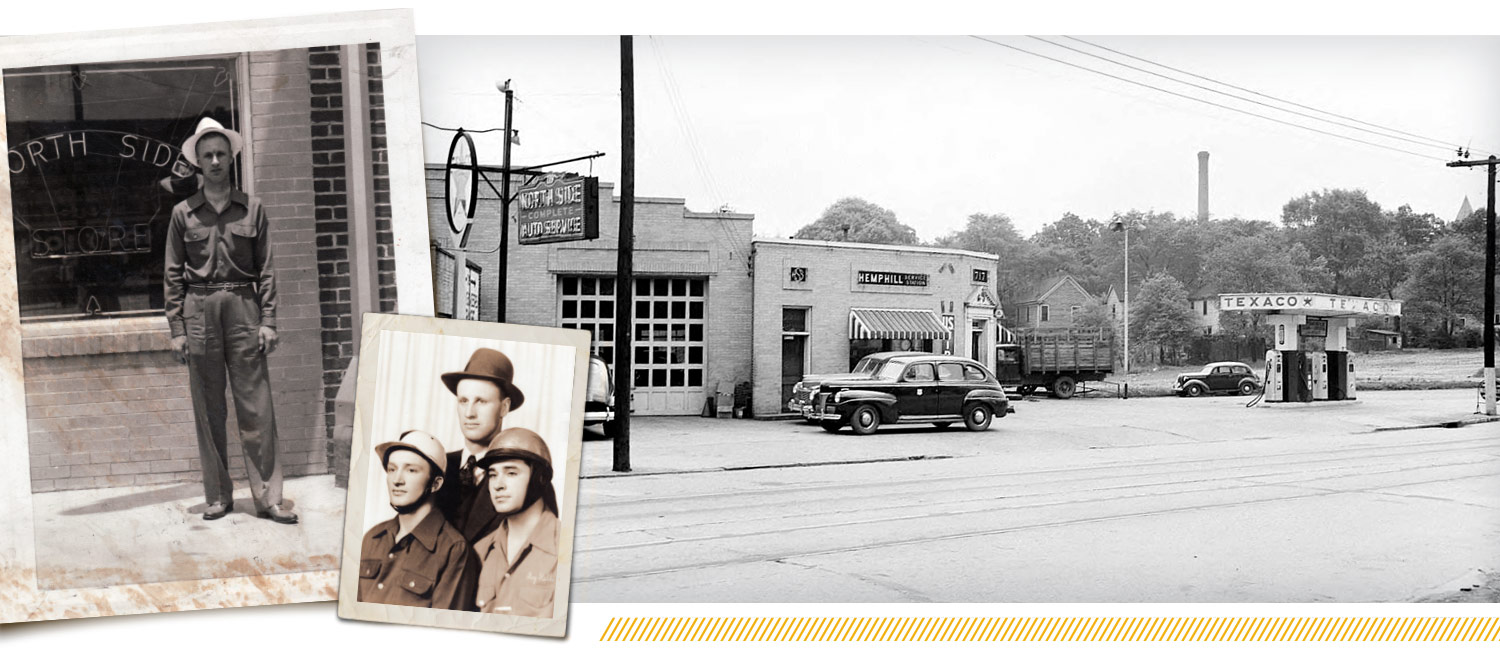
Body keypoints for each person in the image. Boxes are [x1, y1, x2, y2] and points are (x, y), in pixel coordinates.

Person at [164, 116, 296, 524]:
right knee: (209, 408)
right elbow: (171, 273)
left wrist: (268, 320)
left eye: (222, 153)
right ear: (198, 164)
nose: (216, 161)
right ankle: (218, 496)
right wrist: (177, 329)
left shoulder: (252, 208)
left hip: (243, 308)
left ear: (231, 158)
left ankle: (267, 498)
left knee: (256, 407)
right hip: (199, 311)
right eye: (208, 155)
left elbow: (268, 269)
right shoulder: (182, 214)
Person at [357, 430, 479, 610]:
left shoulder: (453, 550)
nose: (397, 480)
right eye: (392, 469)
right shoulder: (373, 538)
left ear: (436, 484)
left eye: (411, 470)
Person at [435, 347, 528, 543]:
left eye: (481, 401)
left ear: (504, 407)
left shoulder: (525, 476)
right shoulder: (435, 467)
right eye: (463, 401)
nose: (469, 413)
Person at [471, 428, 559, 617]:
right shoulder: (480, 552)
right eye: (493, 474)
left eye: (511, 473)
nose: (497, 484)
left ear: (539, 478)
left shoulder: (563, 547)